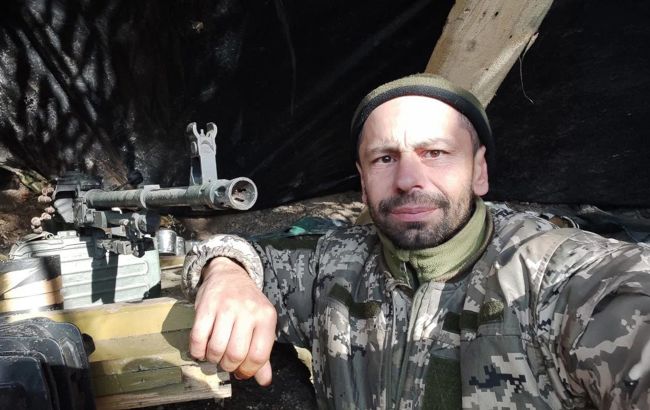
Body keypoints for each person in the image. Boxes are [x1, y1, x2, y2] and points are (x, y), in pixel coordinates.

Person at [181, 74, 650, 409]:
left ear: (479, 170)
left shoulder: (550, 274)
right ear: (363, 182)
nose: (408, 179)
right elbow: (246, 252)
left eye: (435, 153)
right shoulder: (337, 264)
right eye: (385, 158)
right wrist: (225, 272)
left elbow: (626, 298)